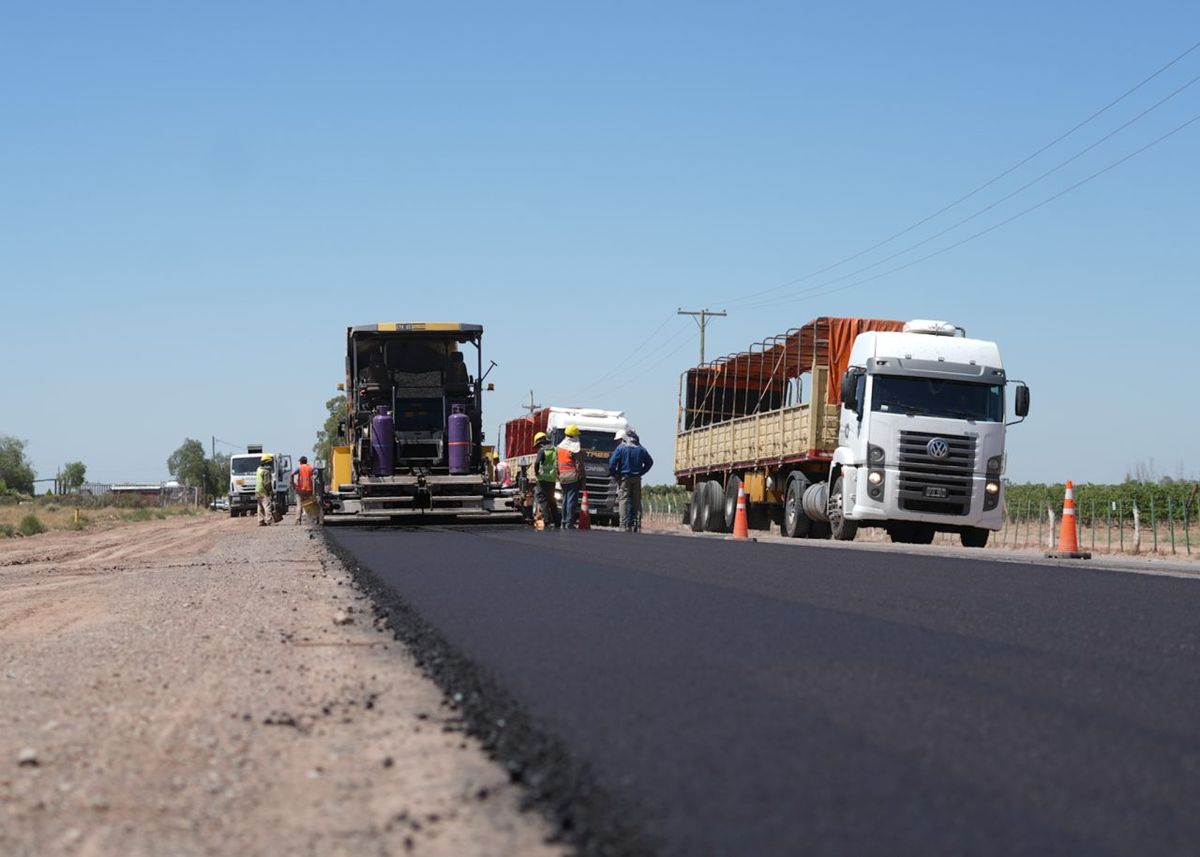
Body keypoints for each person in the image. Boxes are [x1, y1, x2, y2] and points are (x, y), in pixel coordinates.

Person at [608, 427, 654, 531]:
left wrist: (614, 474)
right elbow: (650, 462)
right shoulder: (641, 449)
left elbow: (611, 464)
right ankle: (636, 523)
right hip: (637, 478)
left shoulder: (621, 448)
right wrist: (641, 472)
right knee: (636, 501)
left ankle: (624, 524)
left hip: (624, 478)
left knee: (623, 500)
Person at [556, 424, 587, 529]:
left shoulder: (560, 448)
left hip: (563, 477)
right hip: (573, 477)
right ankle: (569, 522)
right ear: (574, 436)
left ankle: (564, 521)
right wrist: (582, 477)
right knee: (571, 500)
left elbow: (556, 464)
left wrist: (559, 476)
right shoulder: (574, 448)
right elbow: (579, 465)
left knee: (565, 499)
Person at [530, 431, 559, 529]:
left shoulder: (542, 450)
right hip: (552, 479)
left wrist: (536, 472)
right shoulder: (555, 449)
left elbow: (537, 462)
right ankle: (557, 521)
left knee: (543, 499)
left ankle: (547, 520)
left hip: (542, 479)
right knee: (552, 500)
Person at [292, 455, 322, 526]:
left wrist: (292, 482)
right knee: (310, 504)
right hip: (309, 489)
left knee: (299, 505)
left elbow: (292, 473)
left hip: (300, 489)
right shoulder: (311, 468)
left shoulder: (299, 468)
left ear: (301, 462)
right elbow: (316, 473)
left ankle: (298, 520)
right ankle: (313, 518)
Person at [255, 454, 275, 526]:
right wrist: (270, 492)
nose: (270, 464)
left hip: (257, 490)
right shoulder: (266, 471)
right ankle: (269, 521)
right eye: (270, 462)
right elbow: (267, 483)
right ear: (266, 462)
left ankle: (260, 521)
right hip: (263, 490)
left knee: (260, 506)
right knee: (267, 505)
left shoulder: (258, 469)